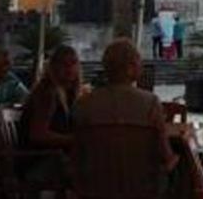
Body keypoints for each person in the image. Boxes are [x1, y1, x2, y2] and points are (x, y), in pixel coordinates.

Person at [73, 39, 177, 195]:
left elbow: (78, 153)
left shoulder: (84, 104)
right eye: (138, 62)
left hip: (95, 187)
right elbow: (164, 153)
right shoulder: (150, 102)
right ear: (130, 68)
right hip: (141, 186)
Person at [18, 45, 81, 184]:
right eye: (64, 64)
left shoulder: (69, 94)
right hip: (37, 162)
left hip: (52, 158)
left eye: (73, 63)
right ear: (53, 67)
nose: (69, 68)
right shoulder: (47, 93)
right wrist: (73, 139)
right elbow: (37, 134)